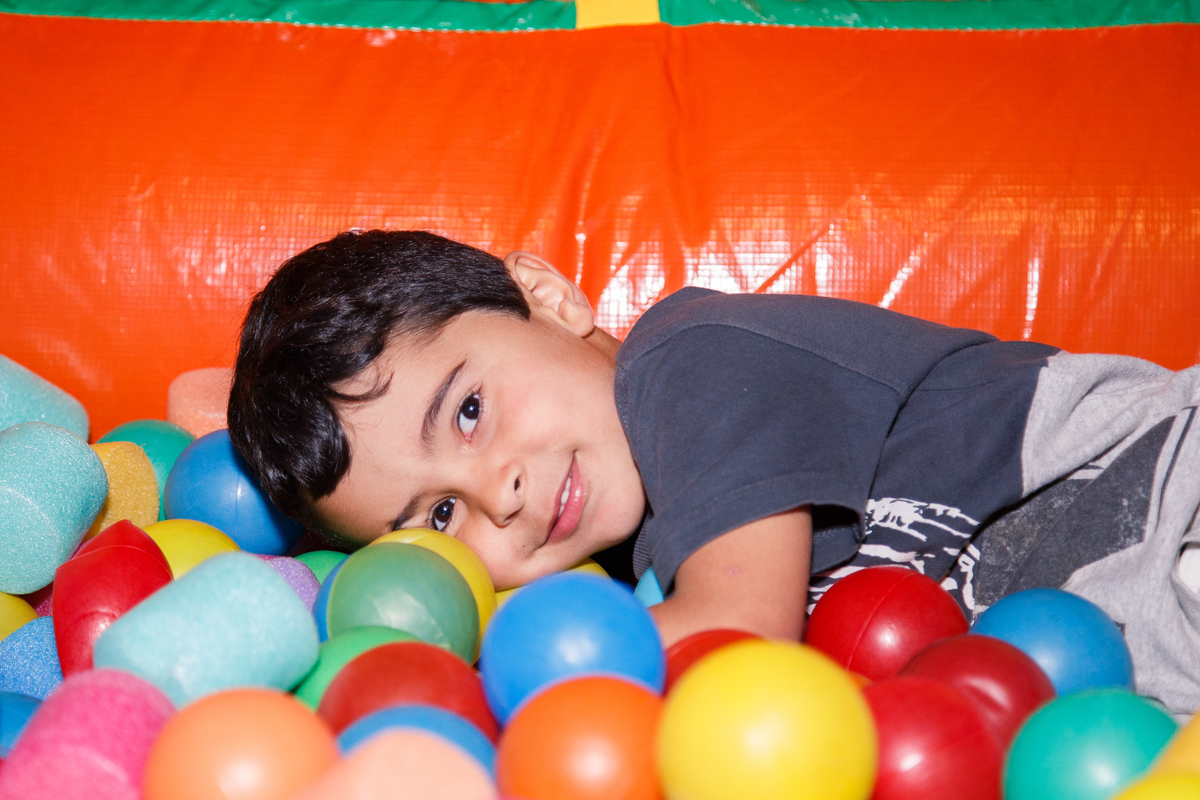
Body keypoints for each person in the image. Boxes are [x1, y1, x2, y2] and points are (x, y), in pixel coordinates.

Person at [228, 229, 1200, 713]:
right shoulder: (638, 542)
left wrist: (467, 669)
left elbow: (735, 632)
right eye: (439, 517)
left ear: (548, 296)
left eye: (471, 409)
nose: (500, 493)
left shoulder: (691, 361)